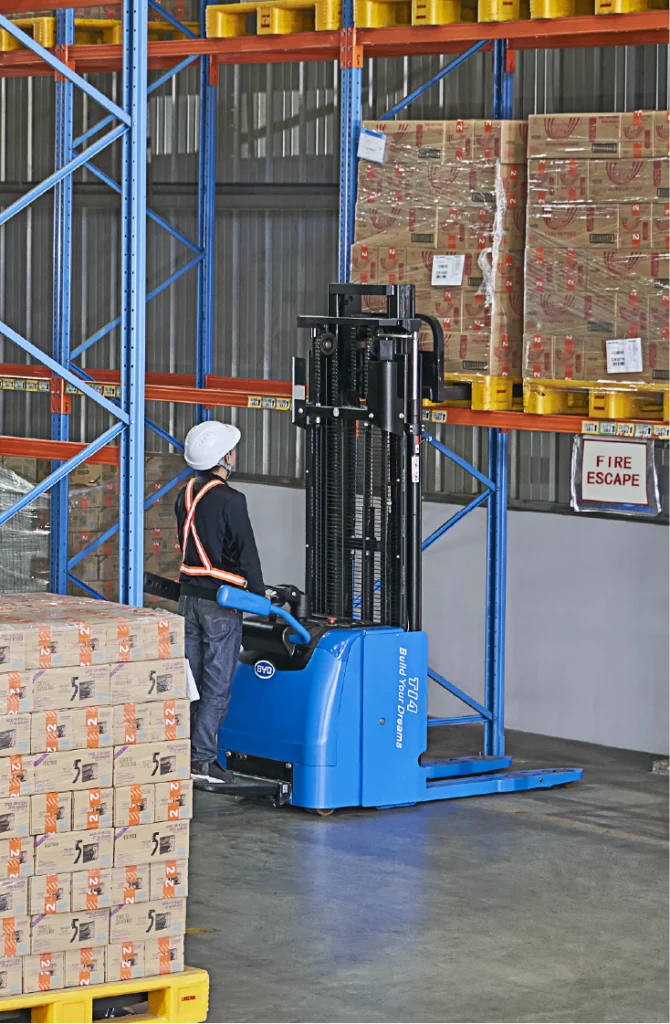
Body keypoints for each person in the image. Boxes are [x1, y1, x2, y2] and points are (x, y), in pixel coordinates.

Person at [175, 420, 265, 784]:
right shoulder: (232, 499)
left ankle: (180, 754)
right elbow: (247, 554)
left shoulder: (184, 495)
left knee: (192, 683)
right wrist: (259, 597)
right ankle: (202, 760)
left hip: (187, 599)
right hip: (221, 603)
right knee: (216, 686)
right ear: (224, 456)